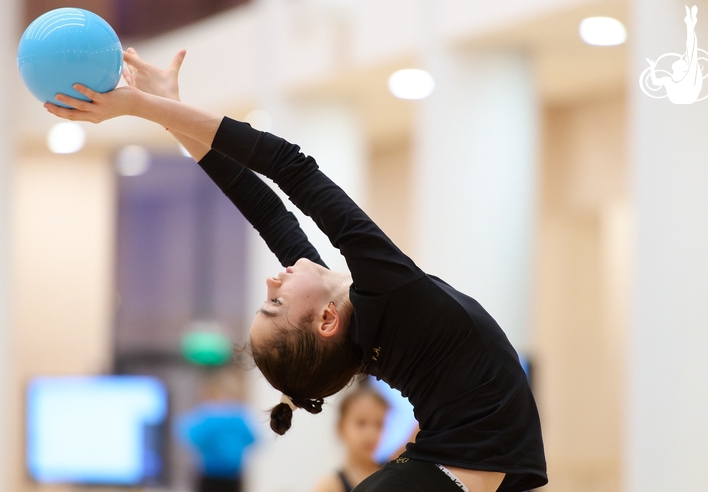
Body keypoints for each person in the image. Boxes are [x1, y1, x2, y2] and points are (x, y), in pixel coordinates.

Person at [44, 48, 548, 492]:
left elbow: (264, 208)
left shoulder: (362, 317)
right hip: (457, 469)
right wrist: (143, 107)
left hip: (459, 468)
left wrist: (168, 115)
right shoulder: (390, 292)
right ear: (326, 320)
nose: (273, 279)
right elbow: (291, 167)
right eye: (275, 303)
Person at [176, 366, 256, 492]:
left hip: (215, 473)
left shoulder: (207, 416)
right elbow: (252, 438)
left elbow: (189, 435)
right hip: (227, 474)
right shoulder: (237, 416)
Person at [314, 386, 389, 492]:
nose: (370, 433)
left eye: (378, 424)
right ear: (341, 428)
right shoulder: (330, 486)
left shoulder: (393, 474)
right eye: (361, 423)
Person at [646, 5, 703, 104]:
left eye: (681, 62)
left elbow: (691, 48)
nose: (679, 59)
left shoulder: (688, 78)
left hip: (687, 98)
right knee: (690, 50)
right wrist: (652, 67)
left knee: (691, 49)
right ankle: (690, 23)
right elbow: (655, 82)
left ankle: (690, 23)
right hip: (681, 101)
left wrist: (690, 25)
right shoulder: (669, 80)